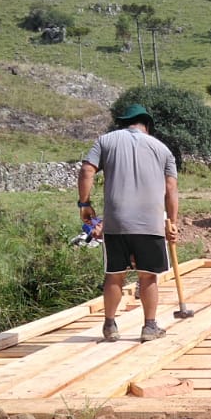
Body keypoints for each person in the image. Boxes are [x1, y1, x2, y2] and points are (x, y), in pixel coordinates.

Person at [77, 103, 179, 342]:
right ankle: (149, 327)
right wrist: (171, 223)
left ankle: (110, 326)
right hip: (150, 222)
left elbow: (86, 171)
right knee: (148, 276)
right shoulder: (163, 149)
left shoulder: (105, 141)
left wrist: (85, 204)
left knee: (114, 275)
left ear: (124, 123)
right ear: (147, 124)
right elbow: (171, 189)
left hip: (116, 223)